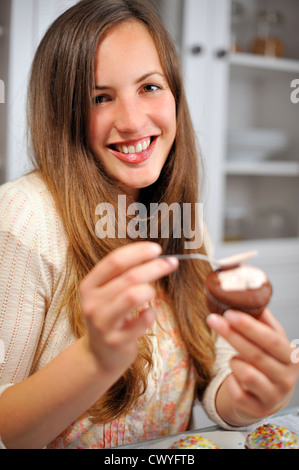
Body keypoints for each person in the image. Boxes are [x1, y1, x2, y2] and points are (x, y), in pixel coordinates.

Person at [0, 0, 298, 450]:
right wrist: (96, 358)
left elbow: (214, 370)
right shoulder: (23, 219)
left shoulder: (179, 218)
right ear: (64, 115)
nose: (134, 121)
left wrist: (249, 396)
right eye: (100, 97)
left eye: (150, 87)